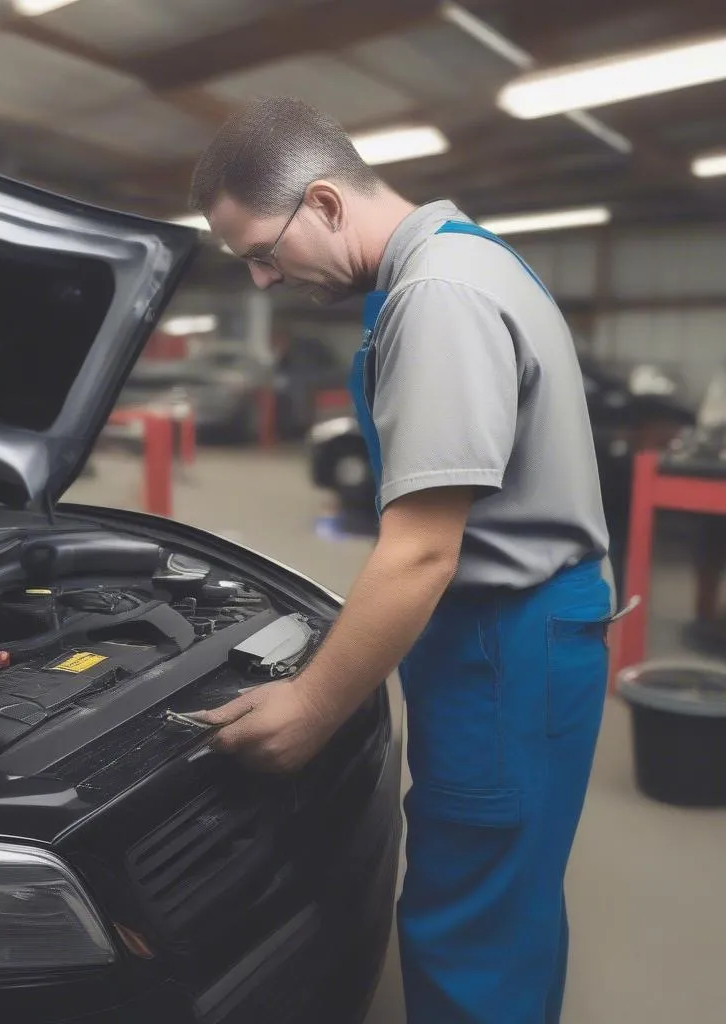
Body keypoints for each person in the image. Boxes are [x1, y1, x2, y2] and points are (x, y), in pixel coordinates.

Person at [188, 98, 618, 1024]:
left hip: (503, 645)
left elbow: (422, 550)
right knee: (512, 897)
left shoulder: (439, 295)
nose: (261, 282)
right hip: (523, 630)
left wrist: (311, 704)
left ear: (329, 205)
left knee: (467, 916)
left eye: (263, 251)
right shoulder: (467, 256)